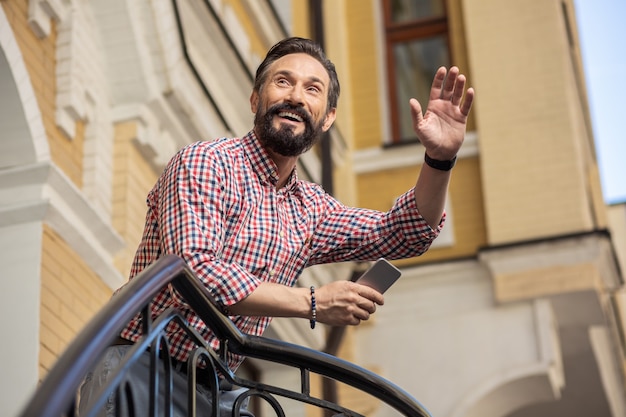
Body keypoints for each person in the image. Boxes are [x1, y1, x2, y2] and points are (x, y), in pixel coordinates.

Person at [78, 36, 474, 416]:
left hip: (218, 387)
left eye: (312, 89)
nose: (296, 97)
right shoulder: (206, 162)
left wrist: (439, 160)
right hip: (142, 365)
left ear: (328, 117)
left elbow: (404, 232)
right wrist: (313, 302)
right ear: (255, 98)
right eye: (283, 82)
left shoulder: (311, 208)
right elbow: (193, 270)